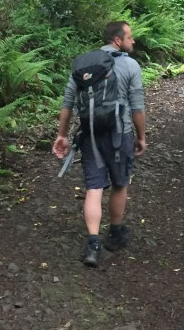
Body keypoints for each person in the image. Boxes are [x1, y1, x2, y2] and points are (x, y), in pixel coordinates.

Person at [52, 21, 146, 266]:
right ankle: (115, 232)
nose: (133, 41)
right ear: (118, 40)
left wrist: (61, 135)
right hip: (120, 132)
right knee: (119, 183)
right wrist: (141, 136)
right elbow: (137, 106)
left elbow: (68, 103)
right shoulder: (130, 65)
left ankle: (92, 243)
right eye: (130, 37)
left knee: (94, 187)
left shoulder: (85, 64)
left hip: (90, 133)